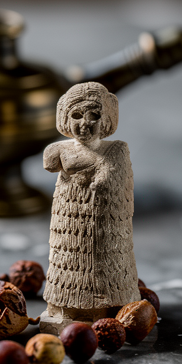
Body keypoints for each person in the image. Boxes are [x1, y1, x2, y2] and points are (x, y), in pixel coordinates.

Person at [40, 81, 140, 332]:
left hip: (104, 223)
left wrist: (99, 179)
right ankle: (65, 309)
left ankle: (112, 310)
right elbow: (49, 163)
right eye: (76, 115)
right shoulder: (60, 148)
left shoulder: (116, 149)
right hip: (68, 220)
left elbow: (111, 177)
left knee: (106, 266)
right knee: (67, 261)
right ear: (63, 117)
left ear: (106, 119)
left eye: (93, 115)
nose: (84, 124)